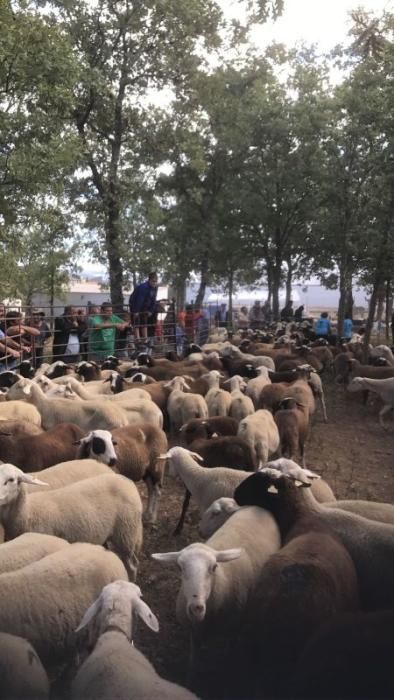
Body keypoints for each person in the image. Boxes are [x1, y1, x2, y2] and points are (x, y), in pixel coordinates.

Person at [128, 272, 159, 342]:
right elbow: (139, 300)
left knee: (144, 322)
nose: (154, 283)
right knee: (137, 322)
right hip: (135, 304)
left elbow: (154, 299)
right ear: (149, 280)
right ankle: (138, 340)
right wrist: (135, 311)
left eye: (156, 281)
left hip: (145, 306)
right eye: (153, 281)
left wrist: (151, 310)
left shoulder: (155, 287)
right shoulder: (143, 287)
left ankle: (145, 339)